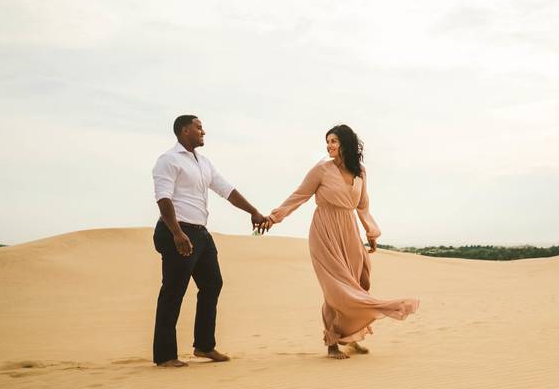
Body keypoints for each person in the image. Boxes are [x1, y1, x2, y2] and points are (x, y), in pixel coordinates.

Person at [266, 124, 419, 359]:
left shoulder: (360, 172)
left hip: (349, 231)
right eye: (327, 141)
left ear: (346, 143)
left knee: (360, 283)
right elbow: (300, 195)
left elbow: (363, 205)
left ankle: (351, 334)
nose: (329, 146)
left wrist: (371, 233)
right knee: (336, 289)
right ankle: (332, 343)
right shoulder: (321, 169)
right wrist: (275, 217)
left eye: (334, 141)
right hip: (325, 231)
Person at [151, 114, 271, 367]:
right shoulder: (168, 160)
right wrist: (176, 233)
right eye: (198, 128)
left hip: (201, 233)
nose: (203, 132)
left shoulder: (204, 163)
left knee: (212, 284)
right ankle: (165, 356)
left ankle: (204, 346)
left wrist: (253, 212)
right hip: (178, 232)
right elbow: (163, 198)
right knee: (173, 291)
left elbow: (227, 190)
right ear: (184, 131)